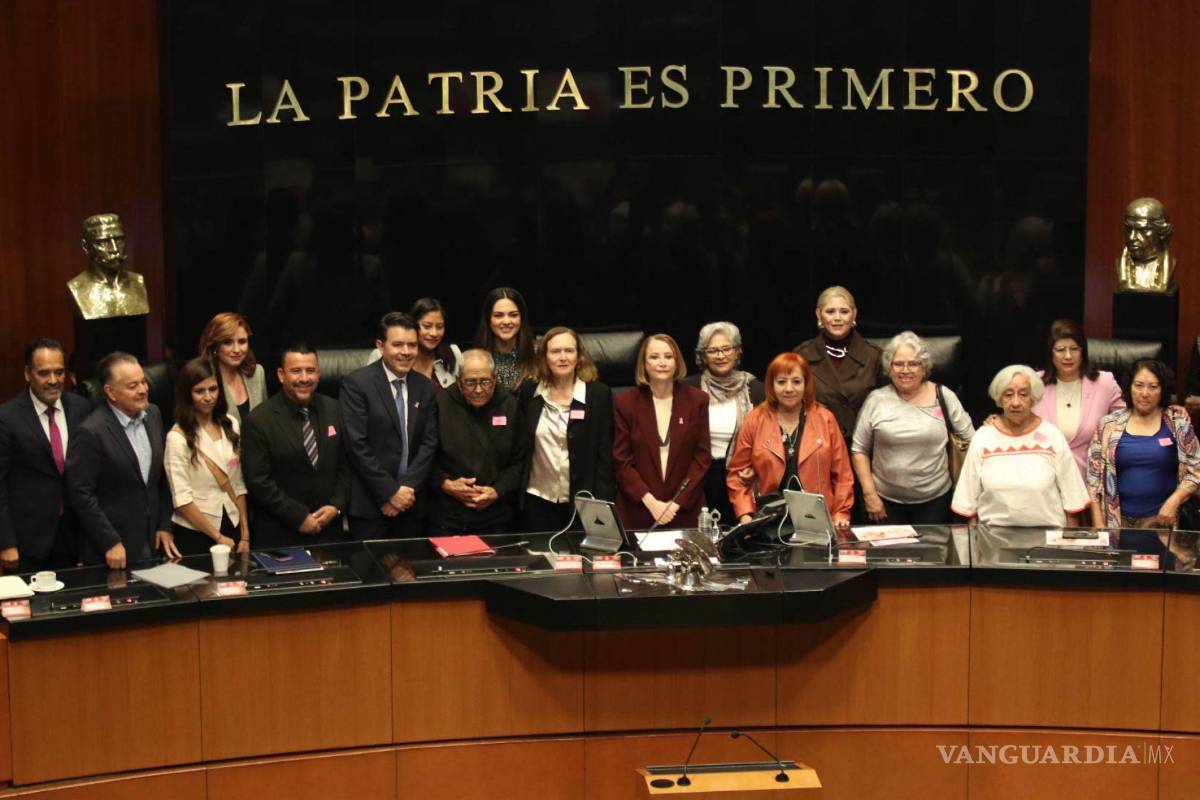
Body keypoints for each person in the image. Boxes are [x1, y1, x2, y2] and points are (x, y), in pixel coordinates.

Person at [66, 352, 177, 568]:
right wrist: (109, 541)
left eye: (144, 382)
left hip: (153, 542)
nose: (143, 390)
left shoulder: (154, 415)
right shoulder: (91, 431)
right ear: (110, 392)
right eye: (132, 386)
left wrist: (165, 525)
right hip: (114, 549)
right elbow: (81, 494)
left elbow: (161, 478)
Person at [852, 332, 975, 524]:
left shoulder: (944, 396)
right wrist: (870, 495)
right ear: (889, 368)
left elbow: (973, 440)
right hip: (884, 502)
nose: (905, 370)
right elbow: (859, 450)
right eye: (898, 364)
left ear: (924, 368)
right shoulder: (876, 400)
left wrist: (996, 424)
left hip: (936, 501)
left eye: (913, 364)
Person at [951, 365, 1089, 528]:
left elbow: (1072, 498)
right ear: (999, 399)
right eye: (1008, 395)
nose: (1015, 402)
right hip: (993, 536)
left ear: (1033, 398)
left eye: (1023, 394)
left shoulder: (1052, 435)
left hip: (1047, 535)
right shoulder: (983, 437)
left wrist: (1068, 541)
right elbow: (967, 501)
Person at [727, 352, 854, 529]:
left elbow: (843, 476)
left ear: (806, 384)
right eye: (781, 382)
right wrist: (745, 515)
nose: (789, 389)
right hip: (767, 521)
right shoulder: (755, 420)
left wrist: (841, 512)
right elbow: (737, 476)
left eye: (796, 382)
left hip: (817, 520)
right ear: (771, 385)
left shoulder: (826, 419)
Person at [242, 344, 351, 548]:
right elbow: (259, 481)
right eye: (296, 371)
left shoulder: (335, 409)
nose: (304, 378)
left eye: (310, 370)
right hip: (281, 535)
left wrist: (336, 506)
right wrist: (298, 517)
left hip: (330, 532)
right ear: (281, 375)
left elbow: (346, 465)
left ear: (318, 374)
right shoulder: (258, 421)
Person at [340, 312, 438, 538]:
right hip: (371, 506)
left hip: (412, 504)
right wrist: (390, 492)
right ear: (380, 346)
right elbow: (357, 445)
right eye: (397, 344)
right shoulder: (357, 384)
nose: (406, 352)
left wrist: (406, 492)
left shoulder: (424, 387)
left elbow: (429, 444)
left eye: (412, 345)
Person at [0, 339, 93, 571]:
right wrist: (6, 542)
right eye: (44, 373)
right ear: (27, 374)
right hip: (28, 541)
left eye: (59, 372)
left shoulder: (81, 408)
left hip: (75, 536)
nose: (53, 380)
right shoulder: (7, 418)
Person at [517, 326, 615, 532]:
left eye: (569, 351)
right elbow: (519, 448)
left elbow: (605, 456)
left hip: (583, 503)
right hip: (536, 500)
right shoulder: (529, 391)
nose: (563, 357)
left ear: (579, 356)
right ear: (544, 357)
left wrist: (602, 506)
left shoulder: (598, 395)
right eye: (555, 351)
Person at [613, 334, 711, 529]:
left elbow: (701, 458)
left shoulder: (697, 400)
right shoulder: (626, 403)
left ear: (677, 362)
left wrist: (675, 504)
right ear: (644, 363)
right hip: (639, 510)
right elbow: (621, 460)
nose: (662, 363)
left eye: (668, 356)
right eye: (654, 357)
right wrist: (652, 503)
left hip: (684, 510)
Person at [1088, 359, 1200, 528]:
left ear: (1162, 389)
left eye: (1153, 387)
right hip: (1116, 521)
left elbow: (1196, 471)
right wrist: (1098, 523)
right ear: (1129, 387)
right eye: (1139, 385)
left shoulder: (1178, 424)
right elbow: (1093, 478)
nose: (1145, 393)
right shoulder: (1108, 425)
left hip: (1163, 521)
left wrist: (1174, 501)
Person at [430, 350, 528, 534]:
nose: (478, 390)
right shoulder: (440, 404)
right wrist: (445, 483)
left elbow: (520, 460)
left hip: (498, 516)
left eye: (485, 381)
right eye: (470, 382)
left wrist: (498, 490)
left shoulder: (510, 405)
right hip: (448, 516)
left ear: (494, 379)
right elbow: (426, 456)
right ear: (459, 381)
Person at [163, 358, 250, 556]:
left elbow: (238, 484)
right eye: (199, 391)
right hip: (196, 531)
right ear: (188, 394)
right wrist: (218, 537)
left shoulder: (231, 424)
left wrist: (245, 534)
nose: (208, 397)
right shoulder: (177, 437)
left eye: (213, 389)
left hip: (232, 521)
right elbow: (182, 501)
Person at [685, 321, 764, 525]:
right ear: (703, 356)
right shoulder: (688, 389)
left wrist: (756, 466)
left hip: (742, 479)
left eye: (726, 349)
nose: (720, 356)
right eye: (713, 351)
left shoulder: (756, 390)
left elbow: (768, 439)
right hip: (699, 480)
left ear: (737, 351)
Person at [1031, 319, 1124, 481]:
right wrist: (999, 421)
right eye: (1060, 350)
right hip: (1042, 479)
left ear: (1083, 352)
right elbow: (1016, 420)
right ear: (1050, 353)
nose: (1068, 356)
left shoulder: (1104, 382)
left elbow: (1128, 420)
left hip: (1089, 479)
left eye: (1074, 349)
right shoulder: (1034, 383)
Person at [793, 285, 882, 442]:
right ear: (818, 314)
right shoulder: (802, 356)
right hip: (818, 444)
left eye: (844, 311)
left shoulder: (874, 356)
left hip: (864, 446)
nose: (837, 318)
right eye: (830, 312)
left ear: (854, 314)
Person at [67, 213, 149, 320]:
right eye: (104, 242)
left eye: (119, 240)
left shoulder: (138, 282)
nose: (114, 249)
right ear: (86, 247)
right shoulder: (77, 288)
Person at [198, 312, 267, 426]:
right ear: (214, 346)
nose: (236, 349)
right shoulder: (203, 380)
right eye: (228, 342)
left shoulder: (257, 373)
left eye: (242, 341)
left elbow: (266, 421)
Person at [474, 287, 536, 390]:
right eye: (498, 315)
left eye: (513, 315)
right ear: (488, 319)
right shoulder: (474, 359)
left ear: (521, 318)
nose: (506, 321)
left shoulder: (538, 354)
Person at [410, 297, 462, 390]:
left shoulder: (452, 353)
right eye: (427, 326)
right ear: (413, 325)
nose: (434, 333)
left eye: (439, 327)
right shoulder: (403, 358)